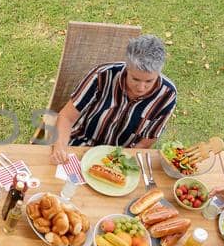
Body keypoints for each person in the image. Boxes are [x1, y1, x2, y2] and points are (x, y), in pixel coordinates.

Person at [49, 34, 176, 163]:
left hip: (120, 156)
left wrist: (120, 163)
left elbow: (145, 143)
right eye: (135, 79)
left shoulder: (167, 95)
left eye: (149, 81)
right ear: (127, 67)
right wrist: (60, 145)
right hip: (80, 144)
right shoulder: (102, 75)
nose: (141, 88)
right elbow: (67, 117)